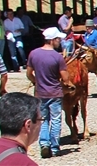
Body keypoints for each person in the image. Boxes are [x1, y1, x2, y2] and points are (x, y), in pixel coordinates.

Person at [26, 27, 69, 158]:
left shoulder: (33, 54)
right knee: (55, 120)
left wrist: (36, 81)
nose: (59, 41)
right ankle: (55, 148)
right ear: (53, 40)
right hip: (55, 92)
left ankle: (44, 144)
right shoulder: (57, 57)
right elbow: (66, 79)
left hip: (40, 93)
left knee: (43, 120)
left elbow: (29, 73)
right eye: (58, 39)